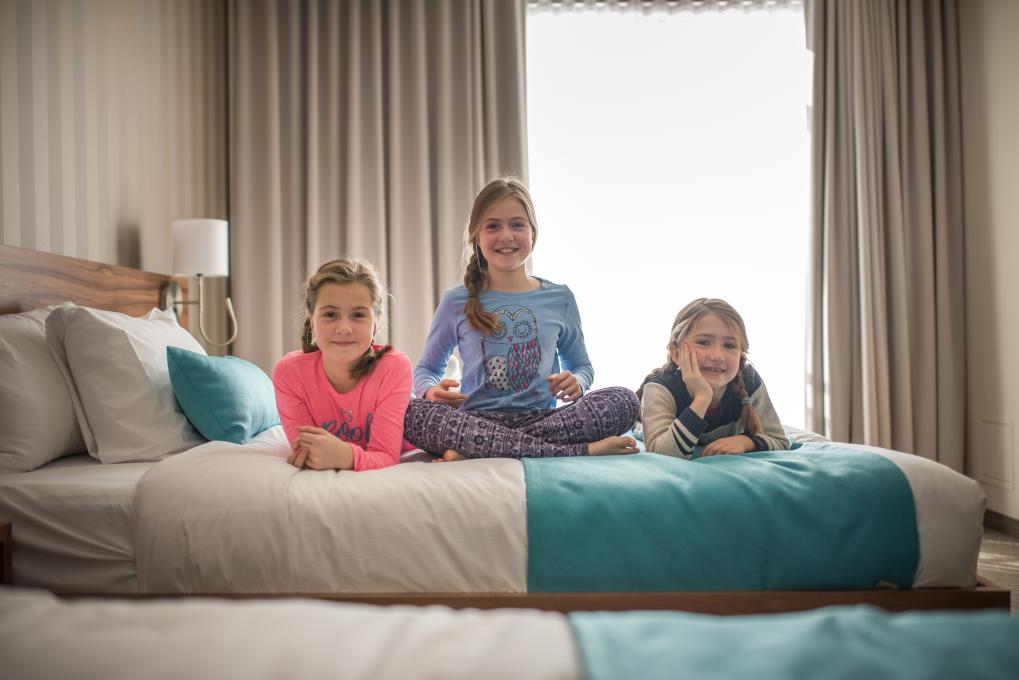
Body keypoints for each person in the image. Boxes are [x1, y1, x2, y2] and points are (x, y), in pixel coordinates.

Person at [404, 177, 640, 461]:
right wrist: (430, 391)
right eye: (493, 226)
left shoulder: (560, 298)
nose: (506, 235)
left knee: (625, 400)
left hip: (543, 420)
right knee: (411, 412)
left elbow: (582, 366)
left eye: (517, 225)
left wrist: (577, 381)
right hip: (477, 421)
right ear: (477, 236)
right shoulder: (457, 300)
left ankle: (480, 451)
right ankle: (579, 451)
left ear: (533, 234)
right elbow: (427, 368)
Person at [273, 257, 413, 471]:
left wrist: (345, 456)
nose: (344, 328)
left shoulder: (394, 366)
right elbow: (308, 453)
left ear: (376, 322)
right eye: (330, 314)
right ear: (311, 320)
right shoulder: (289, 373)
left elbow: (386, 456)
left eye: (358, 315)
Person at [637, 298, 788, 458]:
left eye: (729, 345)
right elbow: (664, 454)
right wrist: (703, 397)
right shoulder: (659, 389)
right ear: (676, 352)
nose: (717, 356)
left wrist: (746, 441)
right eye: (703, 342)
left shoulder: (749, 380)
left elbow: (779, 441)